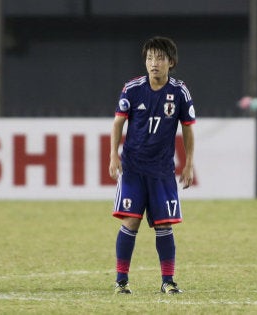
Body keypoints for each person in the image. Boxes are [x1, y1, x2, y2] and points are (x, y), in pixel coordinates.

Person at [108, 36, 196, 294]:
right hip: (134, 168)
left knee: (164, 225)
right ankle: (121, 281)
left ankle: (168, 281)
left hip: (162, 171)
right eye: (149, 58)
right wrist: (114, 154)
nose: (153, 63)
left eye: (159, 58)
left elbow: (188, 129)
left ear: (171, 62)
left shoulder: (179, 92)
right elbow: (117, 123)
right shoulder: (132, 89)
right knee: (130, 222)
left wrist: (189, 164)